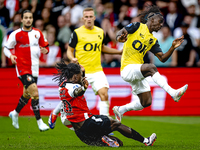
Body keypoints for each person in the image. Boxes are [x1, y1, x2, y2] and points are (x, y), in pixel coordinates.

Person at [48, 7, 122, 129]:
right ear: (83, 18)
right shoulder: (77, 33)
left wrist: (118, 52)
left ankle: (105, 126)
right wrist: (72, 58)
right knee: (72, 97)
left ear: (94, 17)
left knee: (104, 94)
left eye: (90, 16)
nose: (88, 19)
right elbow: (69, 51)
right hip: (80, 72)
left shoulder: (100, 32)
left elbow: (102, 48)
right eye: (86, 17)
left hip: (97, 70)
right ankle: (55, 112)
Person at [53, 61, 157, 147]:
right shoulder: (74, 88)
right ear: (75, 77)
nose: (82, 77)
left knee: (119, 144)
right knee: (116, 123)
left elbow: (76, 85)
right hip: (88, 123)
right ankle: (146, 141)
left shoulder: (62, 86)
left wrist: (82, 73)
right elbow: (77, 91)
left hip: (80, 133)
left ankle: (103, 138)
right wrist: (83, 88)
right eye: (80, 75)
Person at [112, 5, 188, 122]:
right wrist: (119, 38)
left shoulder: (153, 40)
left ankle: (121, 109)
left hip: (137, 70)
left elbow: (162, 58)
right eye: (160, 22)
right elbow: (121, 32)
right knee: (151, 67)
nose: (161, 25)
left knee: (146, 102)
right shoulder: (137, 26)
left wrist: (173, 47)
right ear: (151, 20)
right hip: (127, 68)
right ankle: (173, 93)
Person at [3, 10, 49, 131]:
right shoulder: (16, 34)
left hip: (35, 68)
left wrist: (46, 50)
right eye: (26, 18)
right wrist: (11, 56)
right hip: (22, 68)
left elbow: (45, 46)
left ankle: (15, 113)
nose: (28, 19)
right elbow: (6, 49)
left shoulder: (38, 33)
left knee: (27, 94)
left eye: (30, 17)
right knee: (35, 93)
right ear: (22, 20)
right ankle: (40, 123)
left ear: (32, 19)